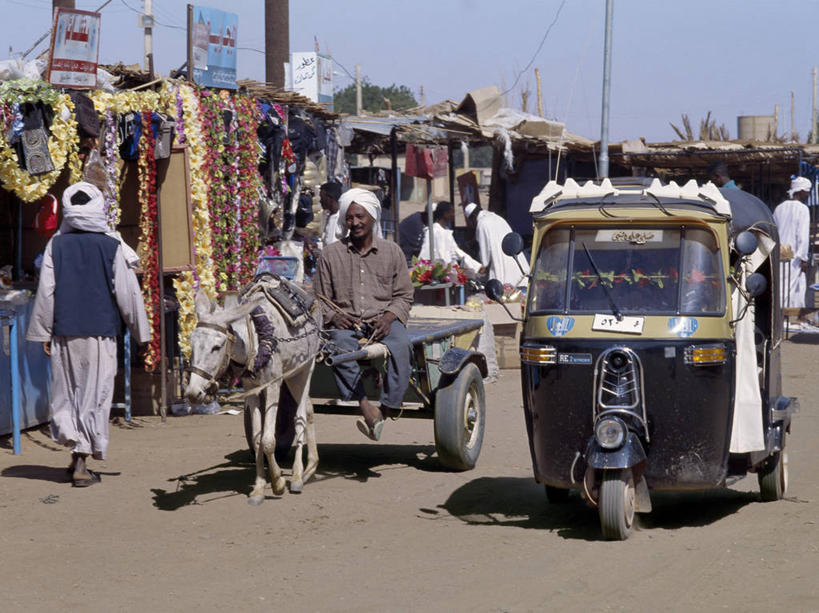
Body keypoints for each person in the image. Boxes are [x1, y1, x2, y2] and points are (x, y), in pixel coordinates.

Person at [26, 182, 150, 487]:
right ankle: (81, 462)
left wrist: (45, 331)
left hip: (65, 333)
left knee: (68, 393)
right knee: (94, 395)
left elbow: (46, 293)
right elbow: (127, 294)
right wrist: (142, 334)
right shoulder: (112, 246)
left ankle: (75, 455)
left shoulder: (56, 245)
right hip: (100, 333)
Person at [314, 187, 414, 441]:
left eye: (360, 217)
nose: (355, 223)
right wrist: (335, 317)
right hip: (345, 324)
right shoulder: (330, 255)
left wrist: (389, 317)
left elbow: (404, 295)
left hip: (384, 322)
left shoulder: (392, 252)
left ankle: (387, 407)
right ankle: (365, 406)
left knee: (403, 347)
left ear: (372, 217)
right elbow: (319, 299)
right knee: (339, 349)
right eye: (350, 218)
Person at [463, 202, 530, 286]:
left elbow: (485, 260)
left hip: (500, 267)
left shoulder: (482, 224)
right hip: (516, 264)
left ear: (472, 217)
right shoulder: (497, 218)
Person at [773, 176, 812, 308]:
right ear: (800, 191)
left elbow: (774, 231)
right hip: (794, 252)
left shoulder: (779, 208)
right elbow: (802, 235)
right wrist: (804, 258)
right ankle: (783, 315)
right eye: (807, 191)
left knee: (785, 283)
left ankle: (793, 313)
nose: (808, 195)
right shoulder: (803, 209)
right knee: (790, 285)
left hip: (782, 249)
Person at [419, 201, 483, 273]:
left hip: (448, 272)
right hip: (437, 273)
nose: (453, 215)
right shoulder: (433, 231)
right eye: (452, 212)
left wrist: (476, 266)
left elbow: (457, 252)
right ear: (445, 214)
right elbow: (425, 254)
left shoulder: (446, 231)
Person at [319, 180, 342, 247]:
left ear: (330, 198)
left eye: (322, 197)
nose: (320, 201)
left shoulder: (340, 219)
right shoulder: (330, 216)